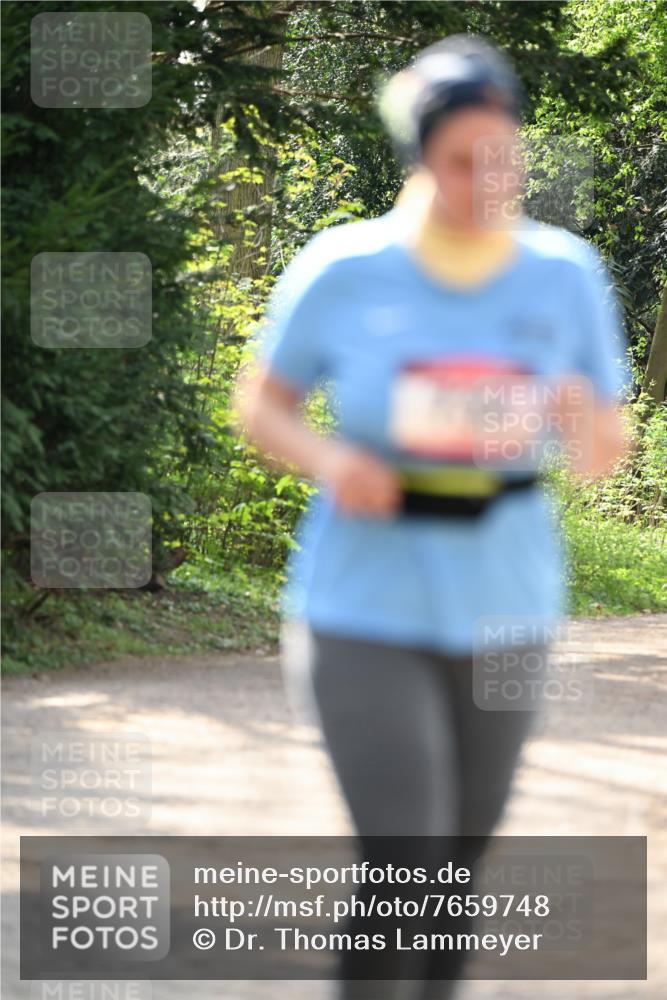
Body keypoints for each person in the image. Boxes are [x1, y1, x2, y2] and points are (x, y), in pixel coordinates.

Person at [233, 33, 629, 1000]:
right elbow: (260, 406)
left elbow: (604, 449)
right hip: (363, 602)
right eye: (462, 160)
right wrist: (332, 458)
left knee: (456, 868)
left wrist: (584, 422)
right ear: (418, 158)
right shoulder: (345, 266)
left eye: (505, 157)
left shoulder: (563, 273)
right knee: (406, 852)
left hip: (505, 606)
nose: (486, 180)